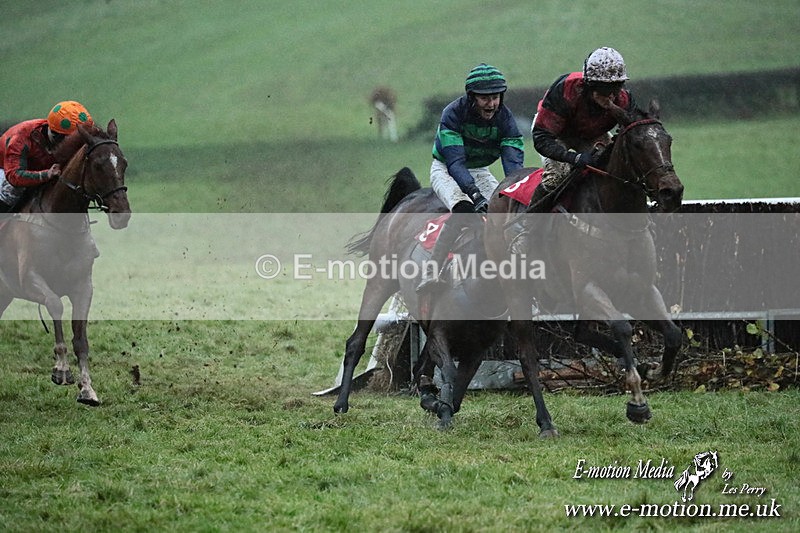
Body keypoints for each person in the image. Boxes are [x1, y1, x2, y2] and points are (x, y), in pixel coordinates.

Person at [417, 63, 525, 293]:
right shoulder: (453, 113)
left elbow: (513, 164)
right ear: (471, 97)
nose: (492, 104)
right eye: (485, 98)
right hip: (446, 169)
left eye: (495, 97)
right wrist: (474, 194)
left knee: (505, 211)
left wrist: (515, 191)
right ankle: (432, 270)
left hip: (480, 170)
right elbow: (455, 163)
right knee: (465, 208)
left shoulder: (505, 118)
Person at [528, 47, 636, 212]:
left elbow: (632, 133)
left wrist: (613, 109)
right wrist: (574, 157)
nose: (612, 95)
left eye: (617, 86)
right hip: (555, 133)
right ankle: (529, 227)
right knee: (556, 178)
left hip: (592, 134)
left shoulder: (623, 99)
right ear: (589, 85)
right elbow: (541, 138)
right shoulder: (565, 90)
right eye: (606, 89)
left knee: (617, 170)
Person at [0, 101, 93, 213]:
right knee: (10, 192)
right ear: (56, 135)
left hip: (39, 167)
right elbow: (14, 176)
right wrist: (46, 174)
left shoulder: (63, 137)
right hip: (6, 169)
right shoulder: (21, 137)